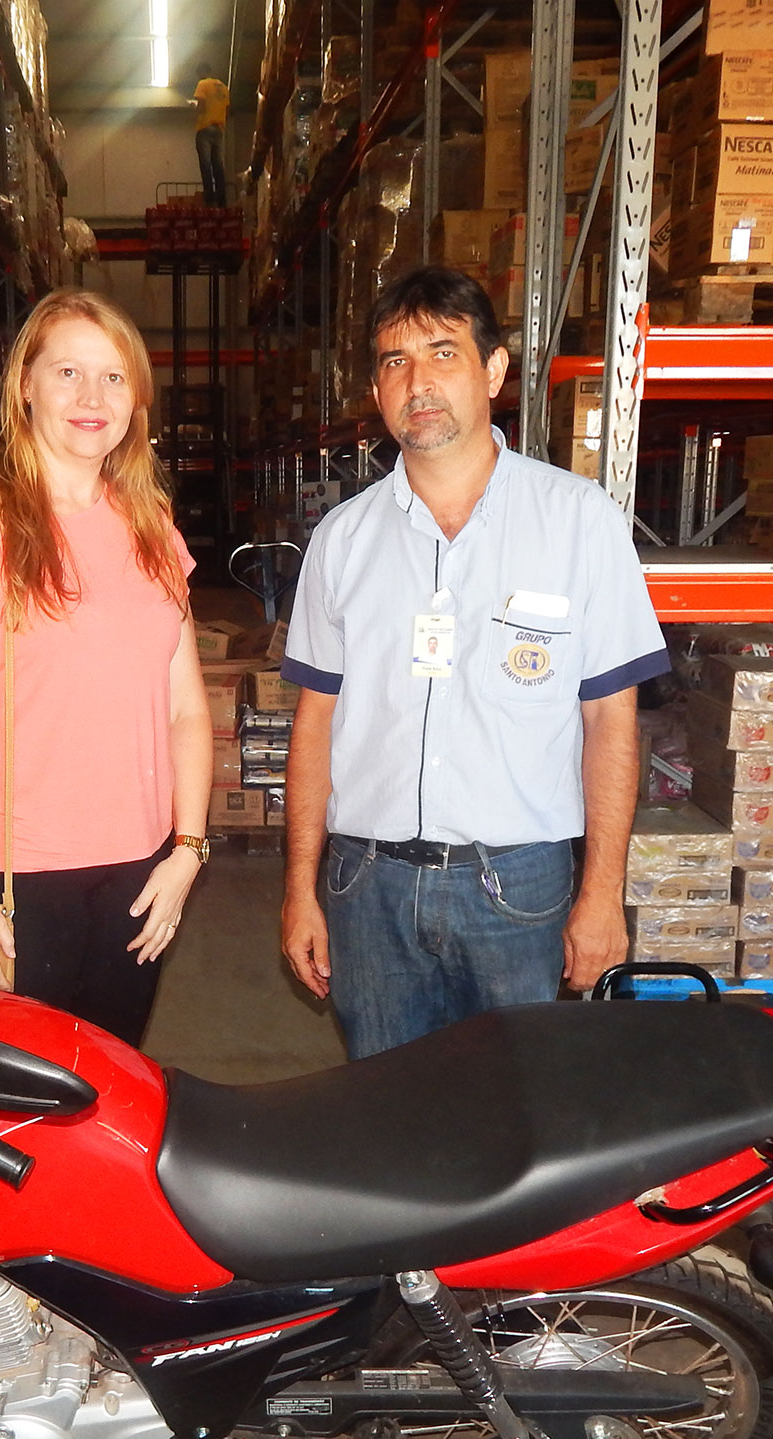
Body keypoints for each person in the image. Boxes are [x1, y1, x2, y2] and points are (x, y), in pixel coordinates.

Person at [278, 266, 668, 1061]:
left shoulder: (579, 523)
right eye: (395, 361)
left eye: (443, 353)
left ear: (493, 371)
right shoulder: (342, 541)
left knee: (517, 1106)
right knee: (386, 1106)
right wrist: (299, 890)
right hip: (367, 889)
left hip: (517, 889)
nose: (418, 382)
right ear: (377, 391)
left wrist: (602, 895)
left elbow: (609, 719)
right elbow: (316, 722)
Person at [0, 290, 212, 1047]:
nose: (92, 397)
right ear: (25, 385)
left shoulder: (152, 528)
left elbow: (186, 710)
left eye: (114, 377)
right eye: (68, 372)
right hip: (11, 884)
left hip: (139, 872)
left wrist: (188, 851)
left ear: (137, 399)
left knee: (108, 1080)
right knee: (11, 1100)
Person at [192, 64, 229, 206]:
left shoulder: (202, 84)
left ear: (203, 71)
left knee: (206, 165)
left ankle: (209, 199)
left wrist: (194, 106)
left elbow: (201, 107)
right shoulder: (224, 87)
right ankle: (222, 199)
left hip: (205, 128)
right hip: (219, 130)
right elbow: (227, 109)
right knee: (218, 166)